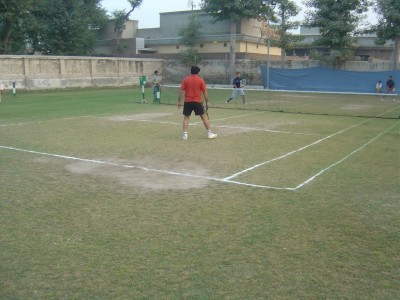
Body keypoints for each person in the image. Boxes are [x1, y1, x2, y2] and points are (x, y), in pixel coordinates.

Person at [177, 66, 217, 141]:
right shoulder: (200, 80)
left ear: (191, 71)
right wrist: (207, 102)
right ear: (198, 72)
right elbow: (205, 92)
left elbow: (181, 92)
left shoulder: (186, 79)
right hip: (197, 102)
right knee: (204, 117)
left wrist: (179, 101)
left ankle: (185, 135)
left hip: (187, 102)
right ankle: (209, 134)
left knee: (186, 118)